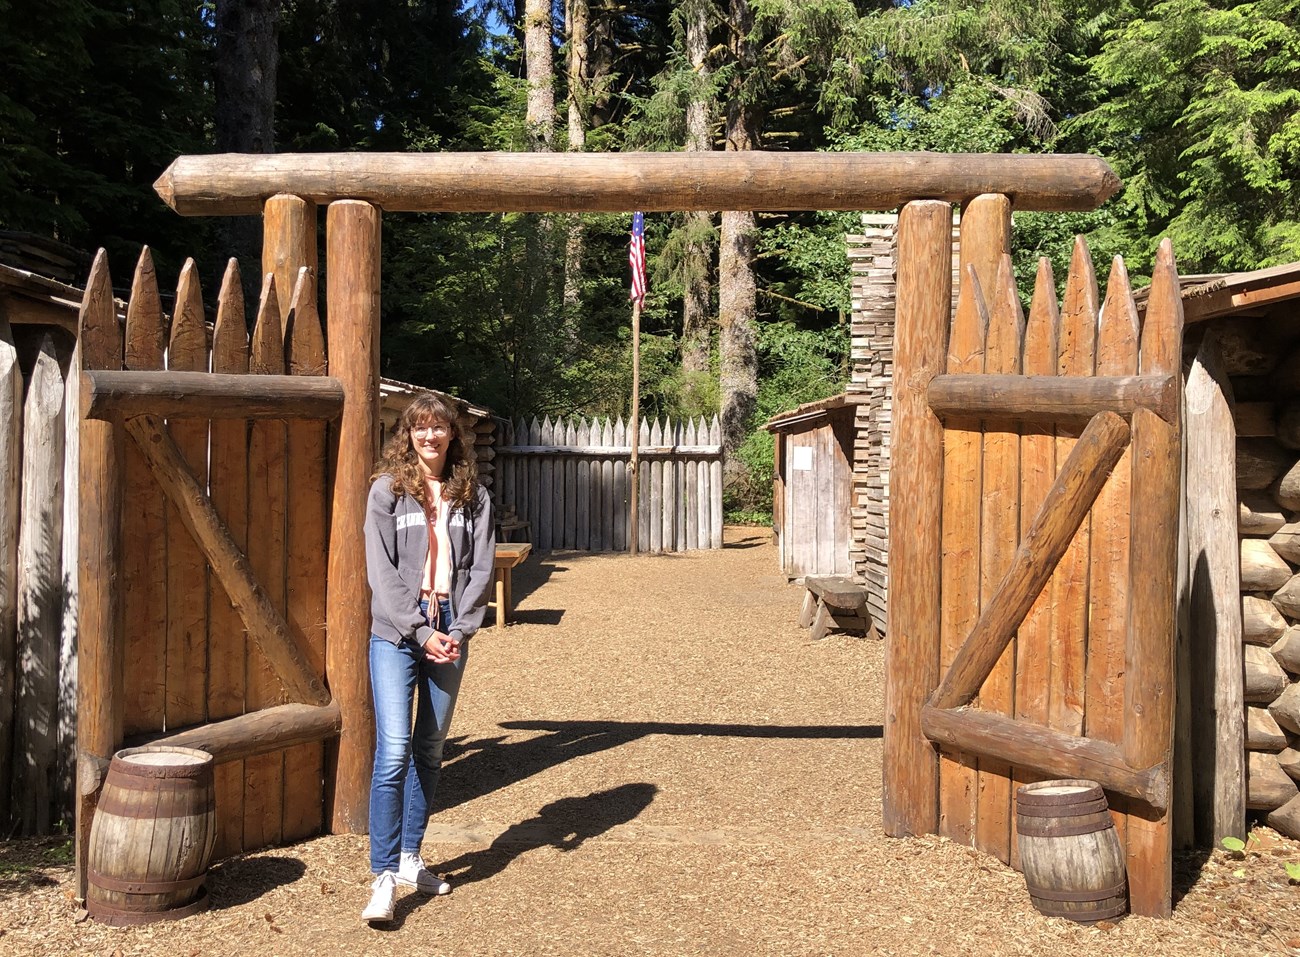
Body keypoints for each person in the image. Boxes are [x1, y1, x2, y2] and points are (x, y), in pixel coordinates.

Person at [360, 392, 495, 923]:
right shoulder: (386, 492)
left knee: (430, 749)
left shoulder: (473, 496)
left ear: (452, 435)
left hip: (450, 631)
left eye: (439, 428)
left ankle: (412, 856)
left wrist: (459, 628)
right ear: (408, 435)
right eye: (420, 429)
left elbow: (479, 569)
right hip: (397, 634)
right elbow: (382, 572)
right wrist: (419, 631)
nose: (429, 437)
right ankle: (383, 876)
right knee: (393, 750)